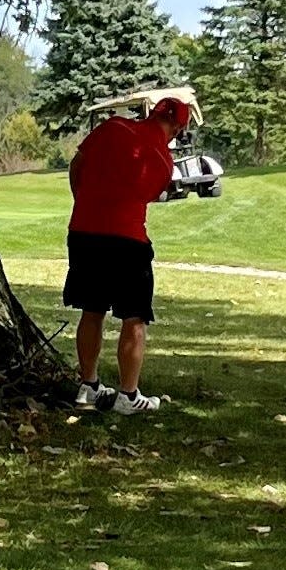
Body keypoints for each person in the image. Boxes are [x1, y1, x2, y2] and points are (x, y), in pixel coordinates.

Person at [64, 96, 191, 416]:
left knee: (92, 310)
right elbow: (146, 195)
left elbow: (76, 165)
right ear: (177, 128)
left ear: (152, 113)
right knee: (134, 318)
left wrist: (85, 202)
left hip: (83, 232)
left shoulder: (112, 127)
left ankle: (89, 387)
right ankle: (128, 395)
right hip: (127, 240)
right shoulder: (164, 161)